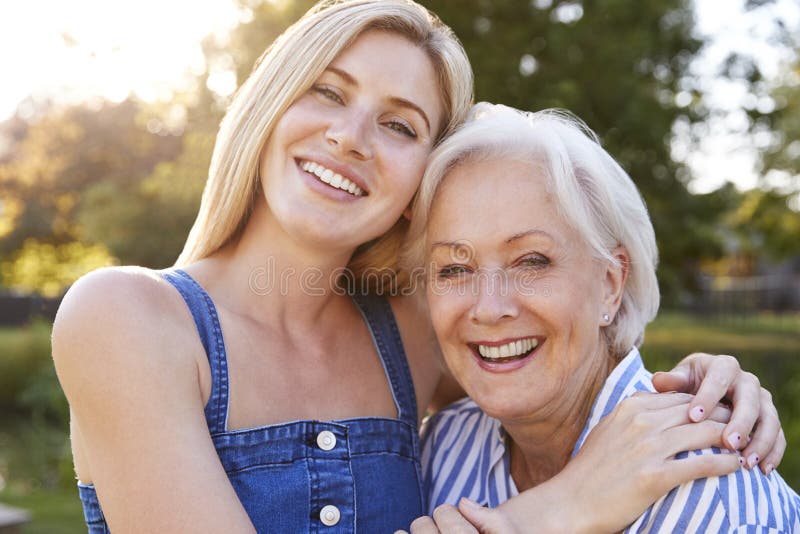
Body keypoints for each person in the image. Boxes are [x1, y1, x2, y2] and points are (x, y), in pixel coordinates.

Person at [50, 1, 785, 532]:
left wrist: (707, 385)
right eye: (328, 91)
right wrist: (564, 508)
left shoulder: (410, 333)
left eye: (400, 124)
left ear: (419, 184)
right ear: (269, 106)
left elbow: (560, 338)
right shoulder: (128, 320)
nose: (349, 136)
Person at [404, 103, 799, 533]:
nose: (488, 307)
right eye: (454, 269)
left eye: (531, 261)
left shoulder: (708, 488)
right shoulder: (443, 448)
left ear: (611, 283)